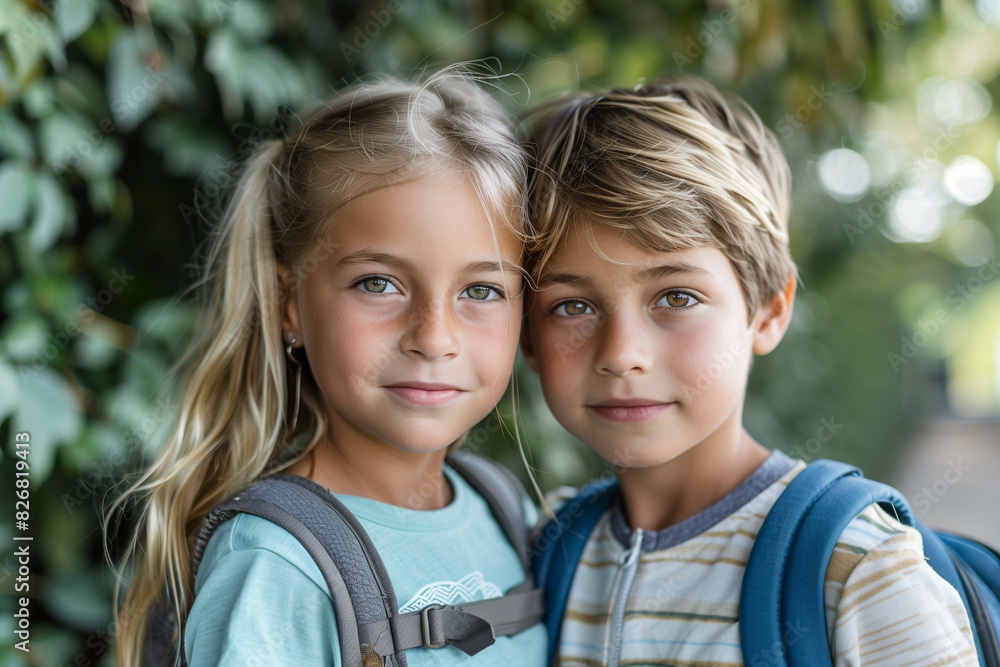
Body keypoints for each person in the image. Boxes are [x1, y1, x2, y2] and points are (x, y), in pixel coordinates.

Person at [520, 75, 978, 666]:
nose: (621, 351)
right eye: (572, 306)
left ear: (768, 310)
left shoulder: (857, 568)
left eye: (677, 297)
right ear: (527, 336)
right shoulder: (549, 547)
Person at [109, 69, 547, 666]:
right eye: (379, 283)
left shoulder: (505, 510)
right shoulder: (273, 564)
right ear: (290, 303)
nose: (434, 338)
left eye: (482, 290)